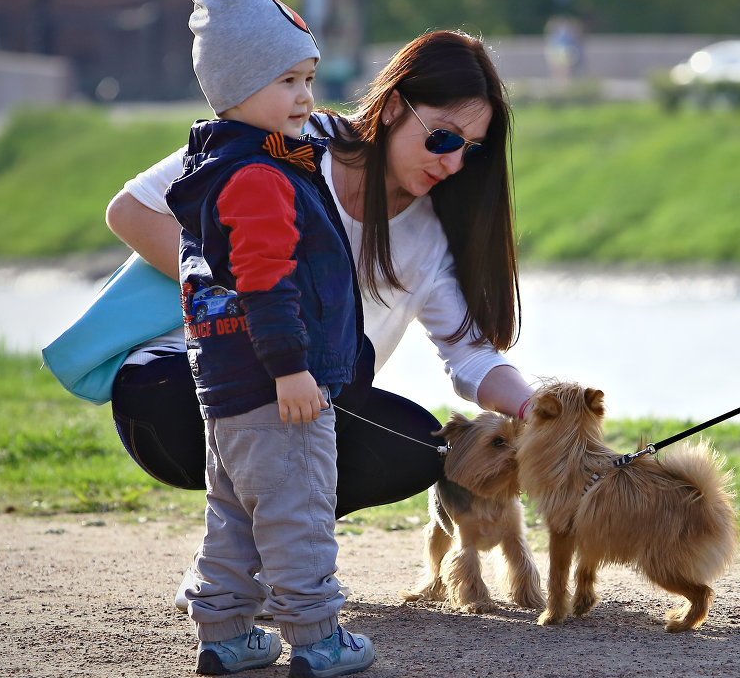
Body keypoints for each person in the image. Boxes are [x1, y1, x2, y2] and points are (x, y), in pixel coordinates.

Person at [105, 29, 533, 512]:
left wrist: (537, 410)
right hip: (185, 387)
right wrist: (256, 297)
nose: (454, 163)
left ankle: (266, 543)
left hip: (306, 409)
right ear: (393, 106)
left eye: (470, 149)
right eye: (443, 138)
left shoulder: (431, 236)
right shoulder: (293, 140)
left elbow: (471, 355)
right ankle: (268, 537)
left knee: (422, 445)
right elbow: (131, 211)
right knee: (283, 377)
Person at [168, 0, 372, 678]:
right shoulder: (257, 176)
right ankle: (318, 637)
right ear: (234, 88)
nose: (306, 98)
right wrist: (292, 369)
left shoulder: (216, 166)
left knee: (232, 510)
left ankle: (225, 632)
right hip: (277, 382)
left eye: (309, 78)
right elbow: (266, 283)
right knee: (299, 508)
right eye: (287, 81)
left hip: (224, 386)